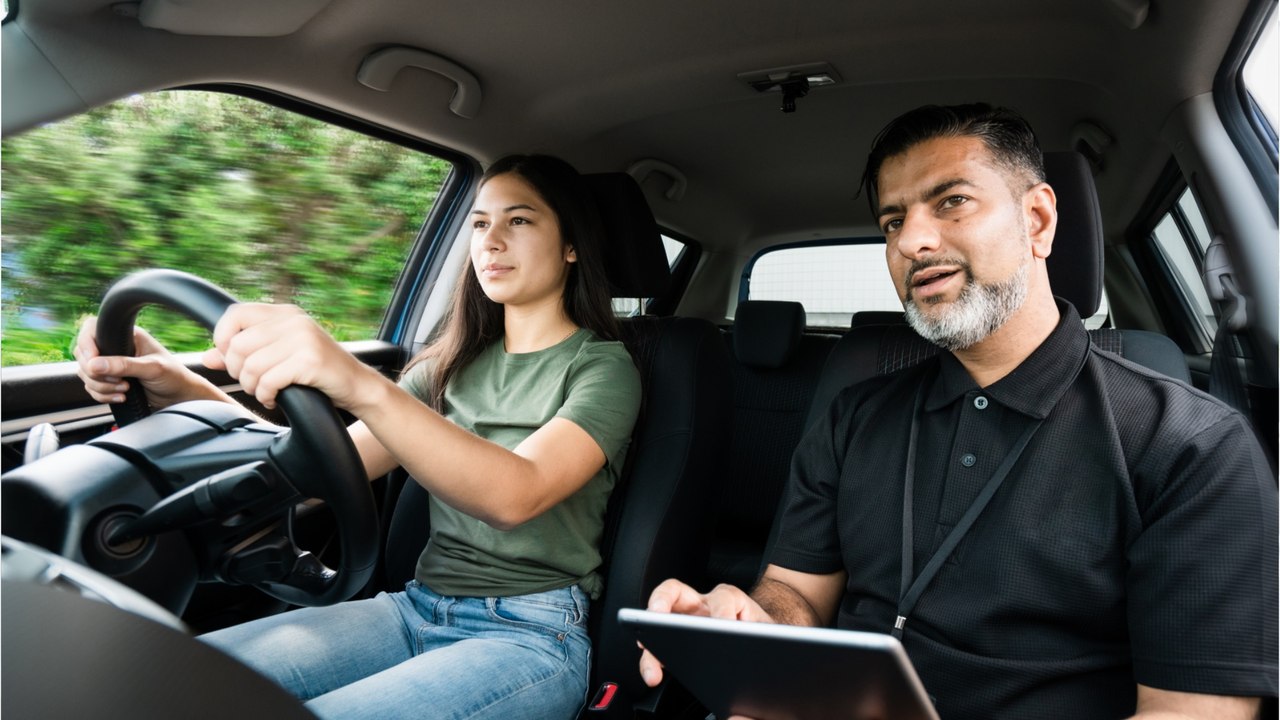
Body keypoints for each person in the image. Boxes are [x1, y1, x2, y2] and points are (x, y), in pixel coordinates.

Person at [639, 104, 1278, 720]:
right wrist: (750, 621)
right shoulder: (853, 416)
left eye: (952, 201)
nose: (911, 241)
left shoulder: (1190, 442)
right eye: (893, 222)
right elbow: (796, 591)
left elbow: (1195, 710)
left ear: (1037, 220)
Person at [76, 154, 643, 720]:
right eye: (479, 222)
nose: (490, 241)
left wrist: (358, 383)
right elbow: (322, 468)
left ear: (571, 246)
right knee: (163, 679)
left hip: (530, 634)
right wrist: (181, 388)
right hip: (412, 608)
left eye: (518, 220)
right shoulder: (447, 366)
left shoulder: (602, 368)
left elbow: (516, 495)